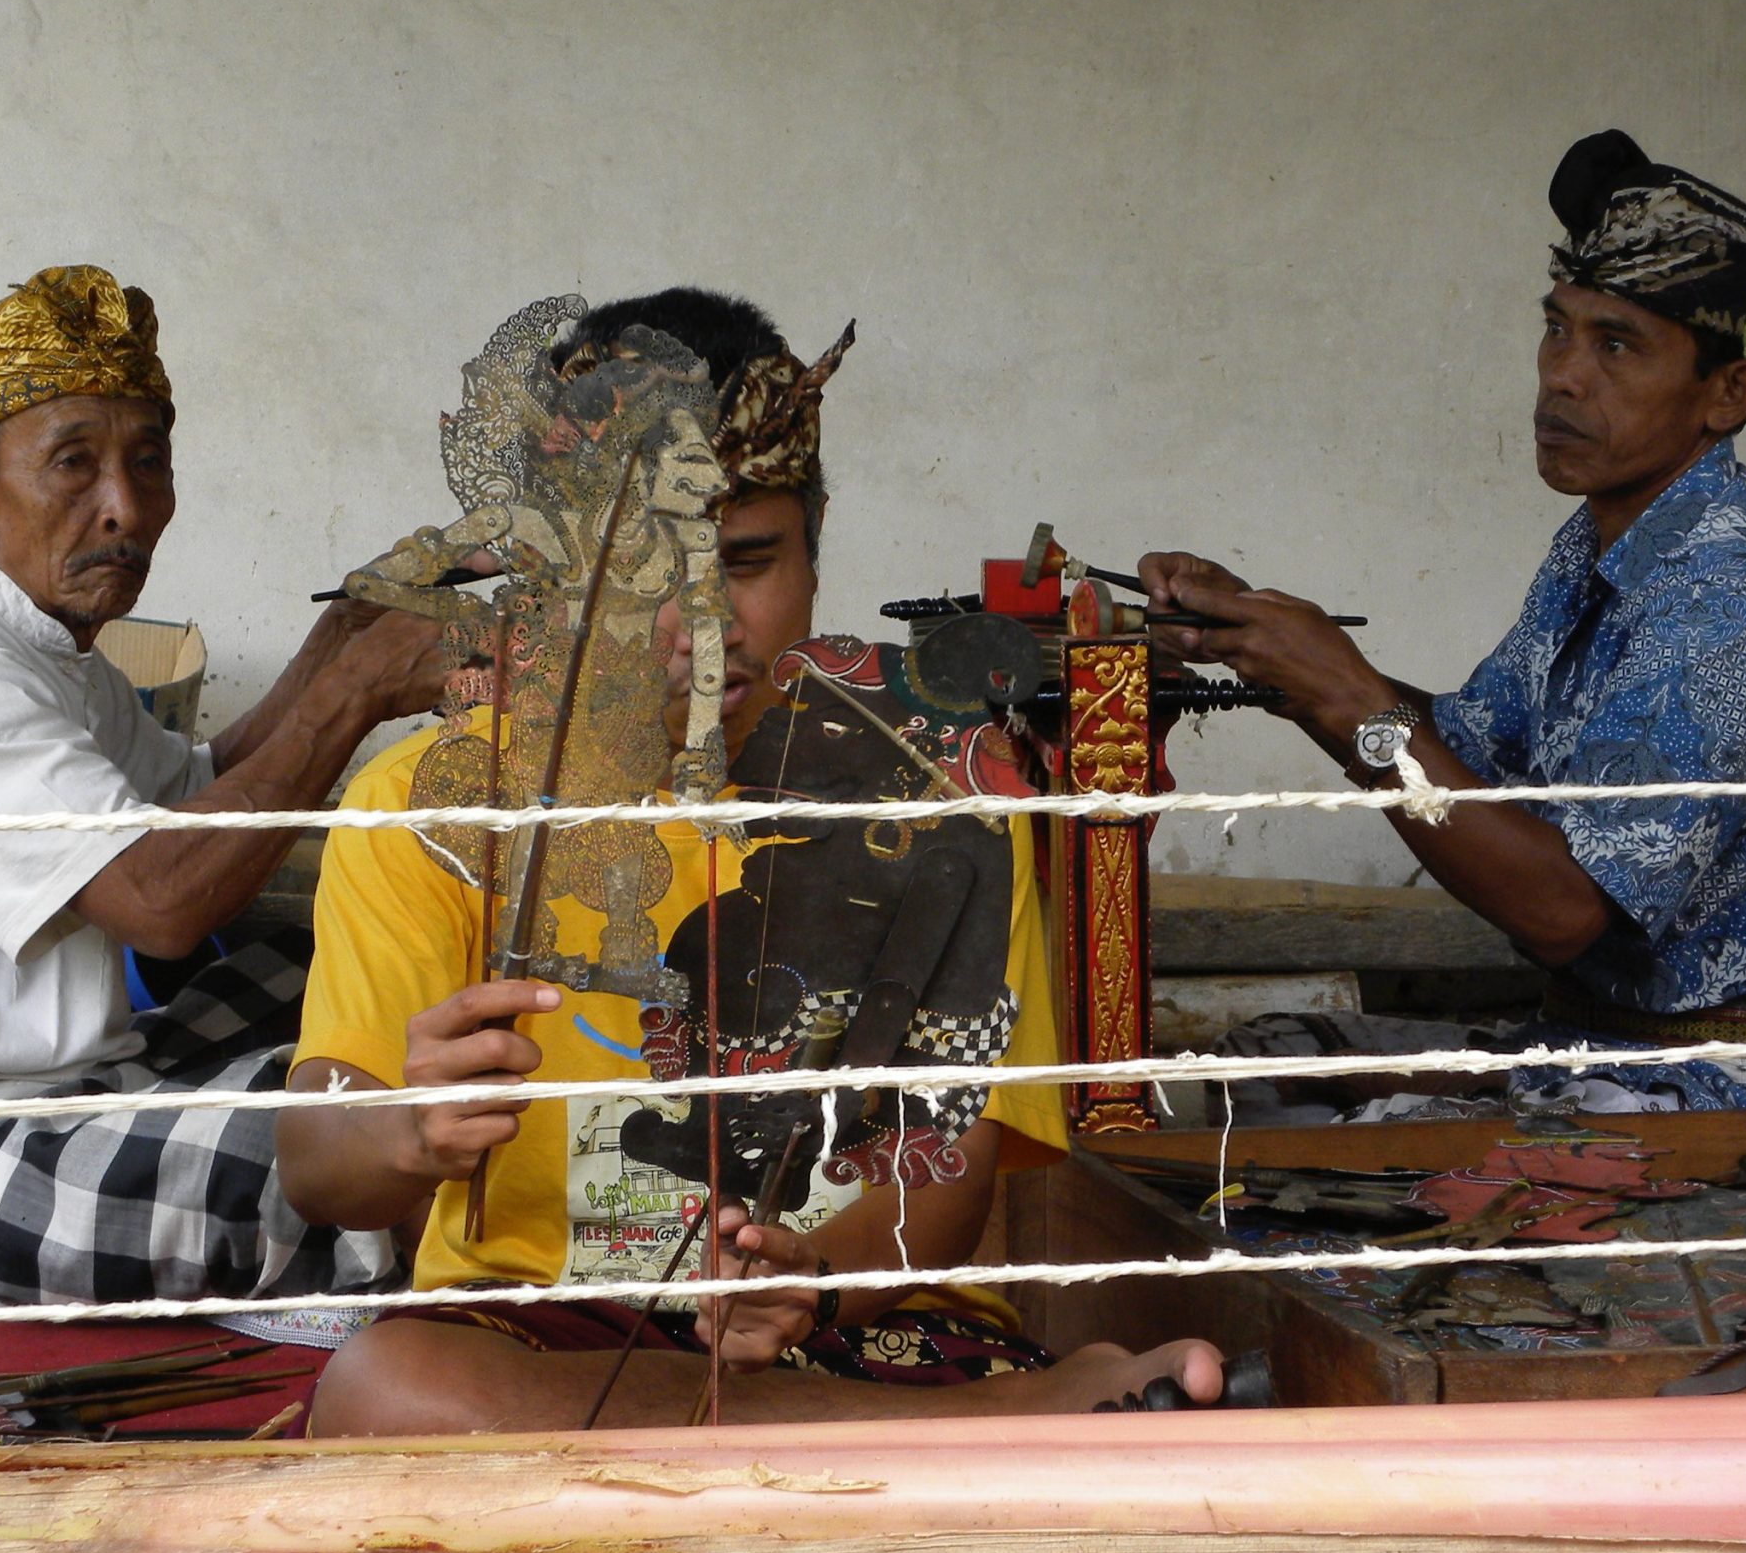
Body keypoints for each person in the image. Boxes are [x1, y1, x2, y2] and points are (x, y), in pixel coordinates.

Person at [281, 287, 1237, 1431]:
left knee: (419, 1416)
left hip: (854, 1332)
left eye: (743, 560)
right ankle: (1001, 1432)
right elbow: (315, 1162)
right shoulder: (429, 807)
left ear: (813, 558)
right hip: (547, 1331)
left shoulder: (940, 806)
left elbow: (940, 1179)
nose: (703, 620)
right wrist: (399, 1132)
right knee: (392, 1389)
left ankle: (810, 1433)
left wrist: (810, 1279)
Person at [0, 265, 446, 1307]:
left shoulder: (36, 647)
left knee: (340, 981)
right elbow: (164, 902)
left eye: (149, 463)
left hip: (65, 1095)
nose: (123, 509)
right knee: (362, 1125)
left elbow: (195, 796)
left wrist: (337, 639)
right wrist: (350, 692)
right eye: (73, 466)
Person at [1144, 133, 1746, 1113]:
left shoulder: (1724, 598)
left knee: (1251, 1112)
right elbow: (1469, 756)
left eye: (1616, 345)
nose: (1563, 376)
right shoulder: (1613, 539)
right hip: (1594, 1044)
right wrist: (1269, 651)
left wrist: (1345, 697)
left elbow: (1560, 911)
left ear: (1728, 393)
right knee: (1256, 1063)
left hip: (1720, 1082)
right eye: (1558, 331)